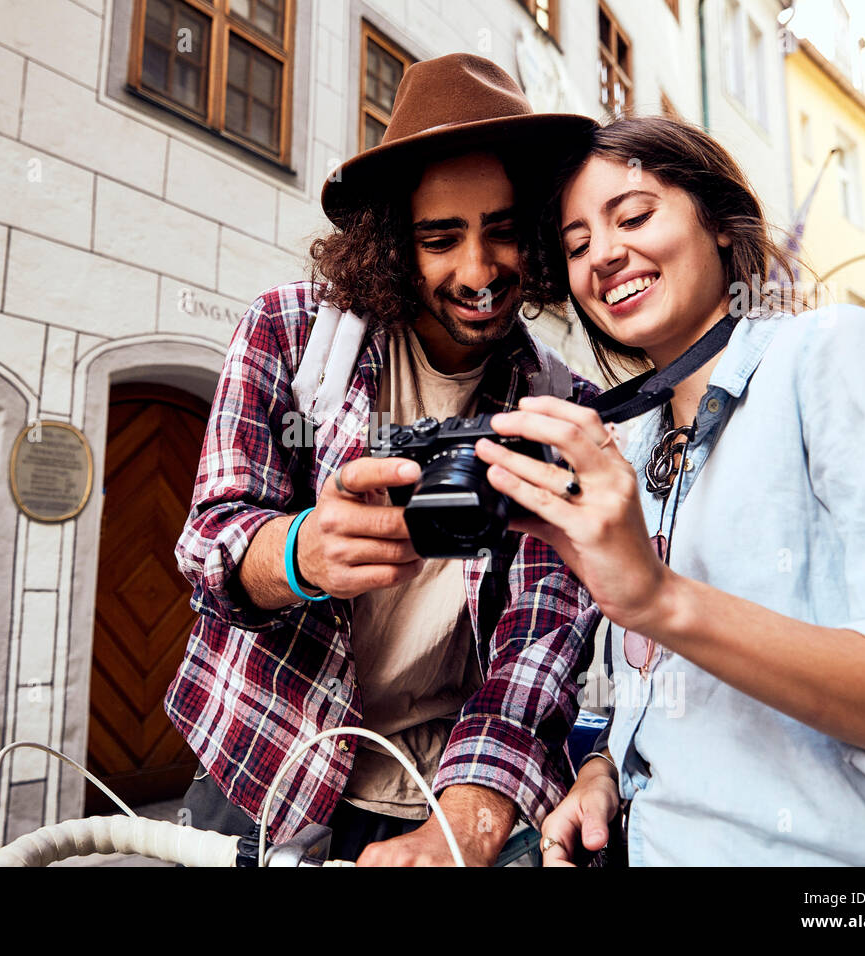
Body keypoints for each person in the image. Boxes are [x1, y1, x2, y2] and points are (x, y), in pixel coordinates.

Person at [475, 115, 865, 865]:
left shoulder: (836, 353)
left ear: (717, 219)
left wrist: (661, 599)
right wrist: (603, 774)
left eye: (635, 216)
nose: (605, 255)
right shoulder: (635, 441)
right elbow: (661, 700)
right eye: (578, 246)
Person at [166, 54, 602, 865]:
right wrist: (299, 552)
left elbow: (541, 636)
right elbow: (208, 545)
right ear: (394, 244)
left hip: (454, 782)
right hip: (265, 759)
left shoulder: (554, 401)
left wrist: (464, 827)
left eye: (502, 230)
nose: (478, 274)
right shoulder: (289, 334)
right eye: (442, 238)